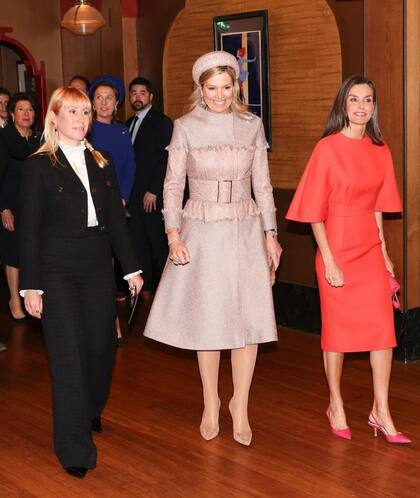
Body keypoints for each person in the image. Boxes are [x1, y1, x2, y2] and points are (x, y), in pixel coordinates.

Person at [144, 51, 282, 446]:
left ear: (236, 86)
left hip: (245, 226)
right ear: (200, 90)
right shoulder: (185, 127)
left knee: (247, 321)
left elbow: (264, 184)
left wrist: (270, 233)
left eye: (226, 87)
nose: (220, 95)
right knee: (208, 321)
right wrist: (173, 235)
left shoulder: (252, 125)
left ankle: (240, 404)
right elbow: (172, 186)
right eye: (212, 88)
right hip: (201, 227)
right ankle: (210, 401)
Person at [19, 87, 143, 478]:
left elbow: (116, 224)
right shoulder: (38, 166)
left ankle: (88, 410)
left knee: (101, 350)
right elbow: (30, 232)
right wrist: (31, 286)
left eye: (85, 111)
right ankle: (73, 447)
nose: (81, 118)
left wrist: (131, 268)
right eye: (71, 111)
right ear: (54, 117)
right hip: (56, 270)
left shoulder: (101, 162)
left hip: (95, 267)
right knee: (68, 358)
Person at [286, 75, 411, 444]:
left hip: (369, 250)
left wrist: (385, 254)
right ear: (343, 104)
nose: (360, 106)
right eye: (353, 99)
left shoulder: (380, 149)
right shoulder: (327, 148)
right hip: (336, 248)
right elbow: (313, 212)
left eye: (367, 100)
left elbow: (376, 207)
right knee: (337, 335)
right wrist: (328, 259)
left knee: (382, 333)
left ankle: (381, 411)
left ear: (374, 106)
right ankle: (336, 404)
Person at [89, 75, 137, 341]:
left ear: (117, 103)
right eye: (99, 97)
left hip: (117, 207)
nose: (104, 102)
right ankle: (108, 325)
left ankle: (110, 324)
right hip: (93, 206)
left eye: (109, 98)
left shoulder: (121, 131)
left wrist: (124, 197)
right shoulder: (87, 130)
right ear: (92, 103)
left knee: (112, 268)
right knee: (100, 268)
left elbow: (130, 166)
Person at [126, 77, 173, 295]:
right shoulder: (127, 125)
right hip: (133, 196)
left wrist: (154, 190)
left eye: (142, 93)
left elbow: (165, 159)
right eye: (134, 93)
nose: (137, 97)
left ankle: (167, 291)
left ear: (151, 96)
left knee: (157, 243)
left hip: (152, 196)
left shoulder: (162, 122)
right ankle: (146, 289)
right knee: (138, 243)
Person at [0, 92, 41, 320]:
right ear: (12, 113)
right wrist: (4, 207)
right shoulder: (4, 138)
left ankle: (32, 294)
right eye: (21, 109)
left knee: (32, 249)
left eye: (30, 110)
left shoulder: (38, 140)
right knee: (13, 252)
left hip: (34, 204)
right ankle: (14, 298)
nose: (26, 114)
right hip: (11, 204)